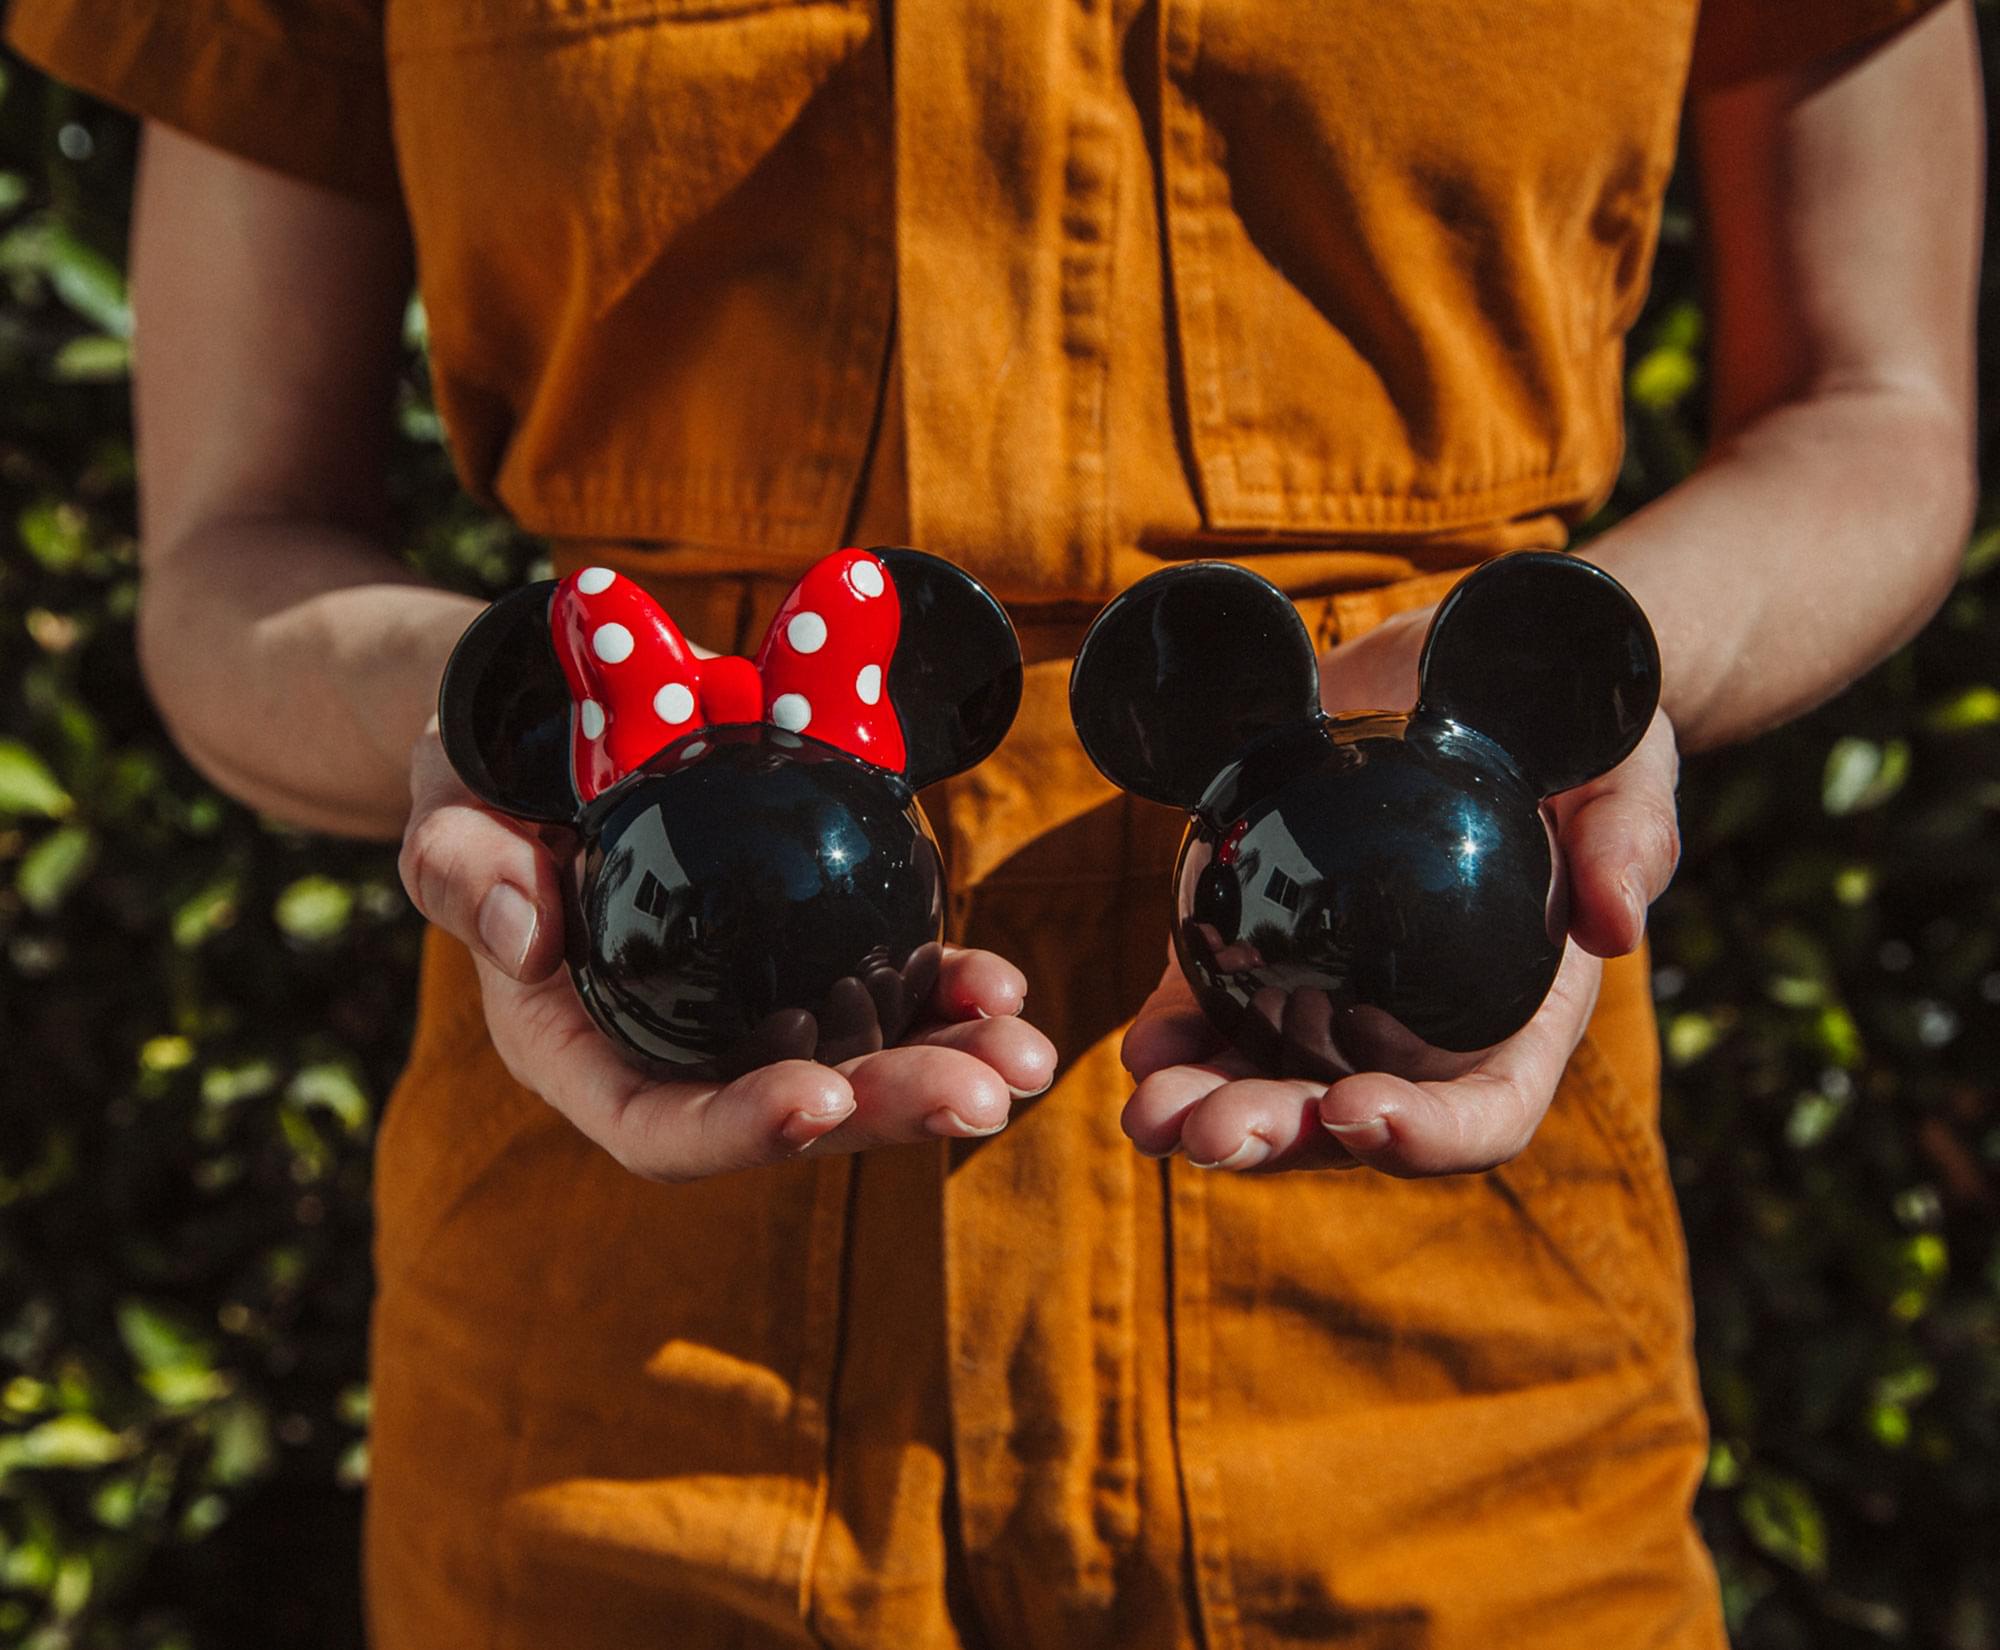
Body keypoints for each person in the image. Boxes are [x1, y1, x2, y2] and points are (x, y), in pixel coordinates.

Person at [6, 0, 1979, 1643]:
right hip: (620, 1407)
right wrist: (497, 747)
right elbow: (229, 558)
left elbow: (1871, 407)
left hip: (1445, 1397)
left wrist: (1593, 679)